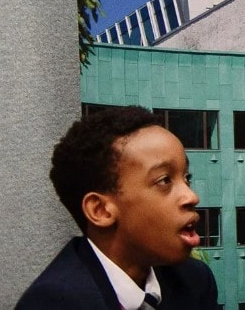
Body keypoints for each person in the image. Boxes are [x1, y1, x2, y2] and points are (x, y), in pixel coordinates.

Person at [16, 105, 219, 310]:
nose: (191, 197)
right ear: (101, 210)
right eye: (164, 180)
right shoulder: (54, 302)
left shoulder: (194, 280)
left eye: (187, 178)